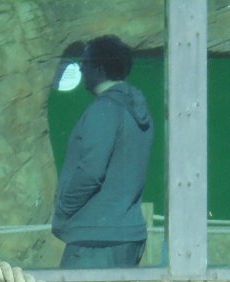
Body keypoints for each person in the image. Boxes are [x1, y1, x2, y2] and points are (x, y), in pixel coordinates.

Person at [53, 36, 154, 269]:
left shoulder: (104, 110)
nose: (81, 69)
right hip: (126, 233)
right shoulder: (137, 111)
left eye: (84, 64)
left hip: (96, 238)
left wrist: (64, 207)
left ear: (98, 68)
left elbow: (91, 172)